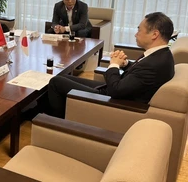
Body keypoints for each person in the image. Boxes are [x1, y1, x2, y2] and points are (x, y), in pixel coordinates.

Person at [47, 12, 175, 118]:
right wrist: (125, 64)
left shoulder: (154, 63)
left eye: (139, 30)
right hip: (119, 92)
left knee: (56, 82)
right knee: (65, 77)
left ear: (154, 34)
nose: (136, 34)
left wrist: (114, 65)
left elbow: (116, 90)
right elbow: (139, 76)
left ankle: (56, 121)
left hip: (111, 101)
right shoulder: (162, 55)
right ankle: (44, 109)